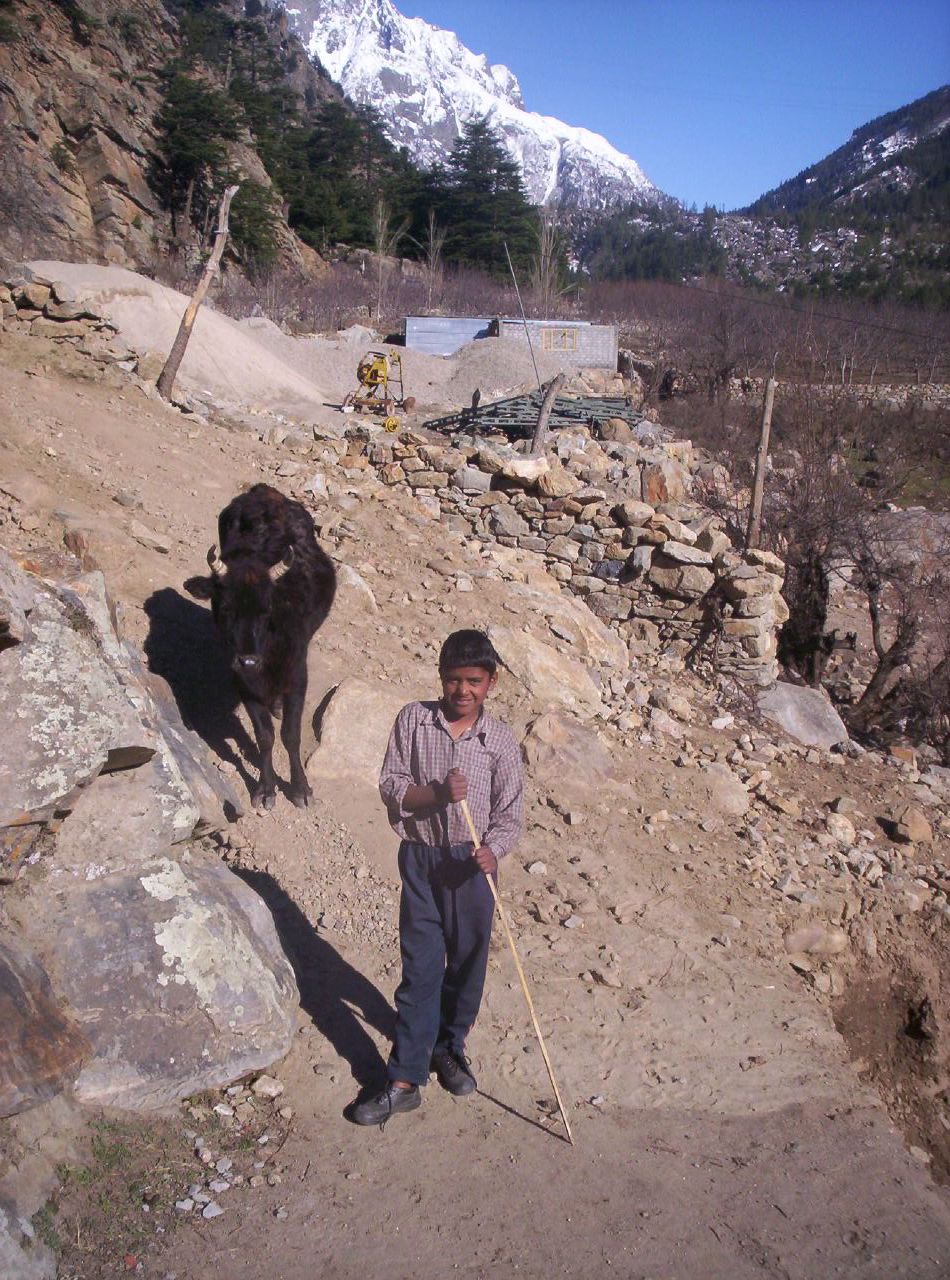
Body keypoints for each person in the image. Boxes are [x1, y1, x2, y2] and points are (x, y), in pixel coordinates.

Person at [350, 628, 523, 1127]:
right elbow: (392, 786)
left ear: (491, 682)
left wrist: (494, 851)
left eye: (473, 681)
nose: (462, 691)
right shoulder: (413, 720)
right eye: (453, 680)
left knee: (468, 965)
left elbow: (510, 814)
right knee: (421, 967)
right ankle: (404, 1079)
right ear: (440, 678)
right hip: (422, 861)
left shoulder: (501, 742)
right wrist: (437, 795)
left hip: (472, 869)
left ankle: (449, 1047)